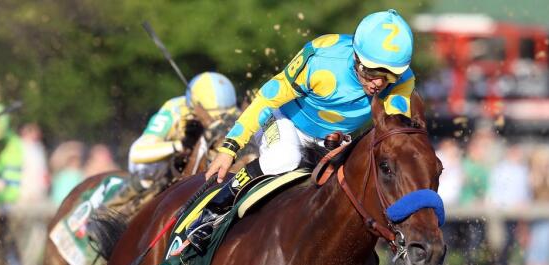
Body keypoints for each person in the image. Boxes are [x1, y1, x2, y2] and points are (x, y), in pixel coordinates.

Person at [187, 9, 418, 251]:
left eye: (390, 75)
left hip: (335, 141)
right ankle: (213, 210)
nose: (379, 83)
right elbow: (268, 98)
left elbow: (393, 130)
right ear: (356, 57)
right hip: (284, 121)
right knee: (285, 158)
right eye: (372, 71)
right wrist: (230, 147)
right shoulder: (321, 59)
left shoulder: (402, 81)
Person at [127, 71, 238, 178]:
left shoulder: (234, 113)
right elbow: (136, 154)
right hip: (162, 166)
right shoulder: (174, 110)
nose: (219, 123)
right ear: (194, 109)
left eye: (224, 117)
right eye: (214, 117)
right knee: (152, 170)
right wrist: (180, 145)